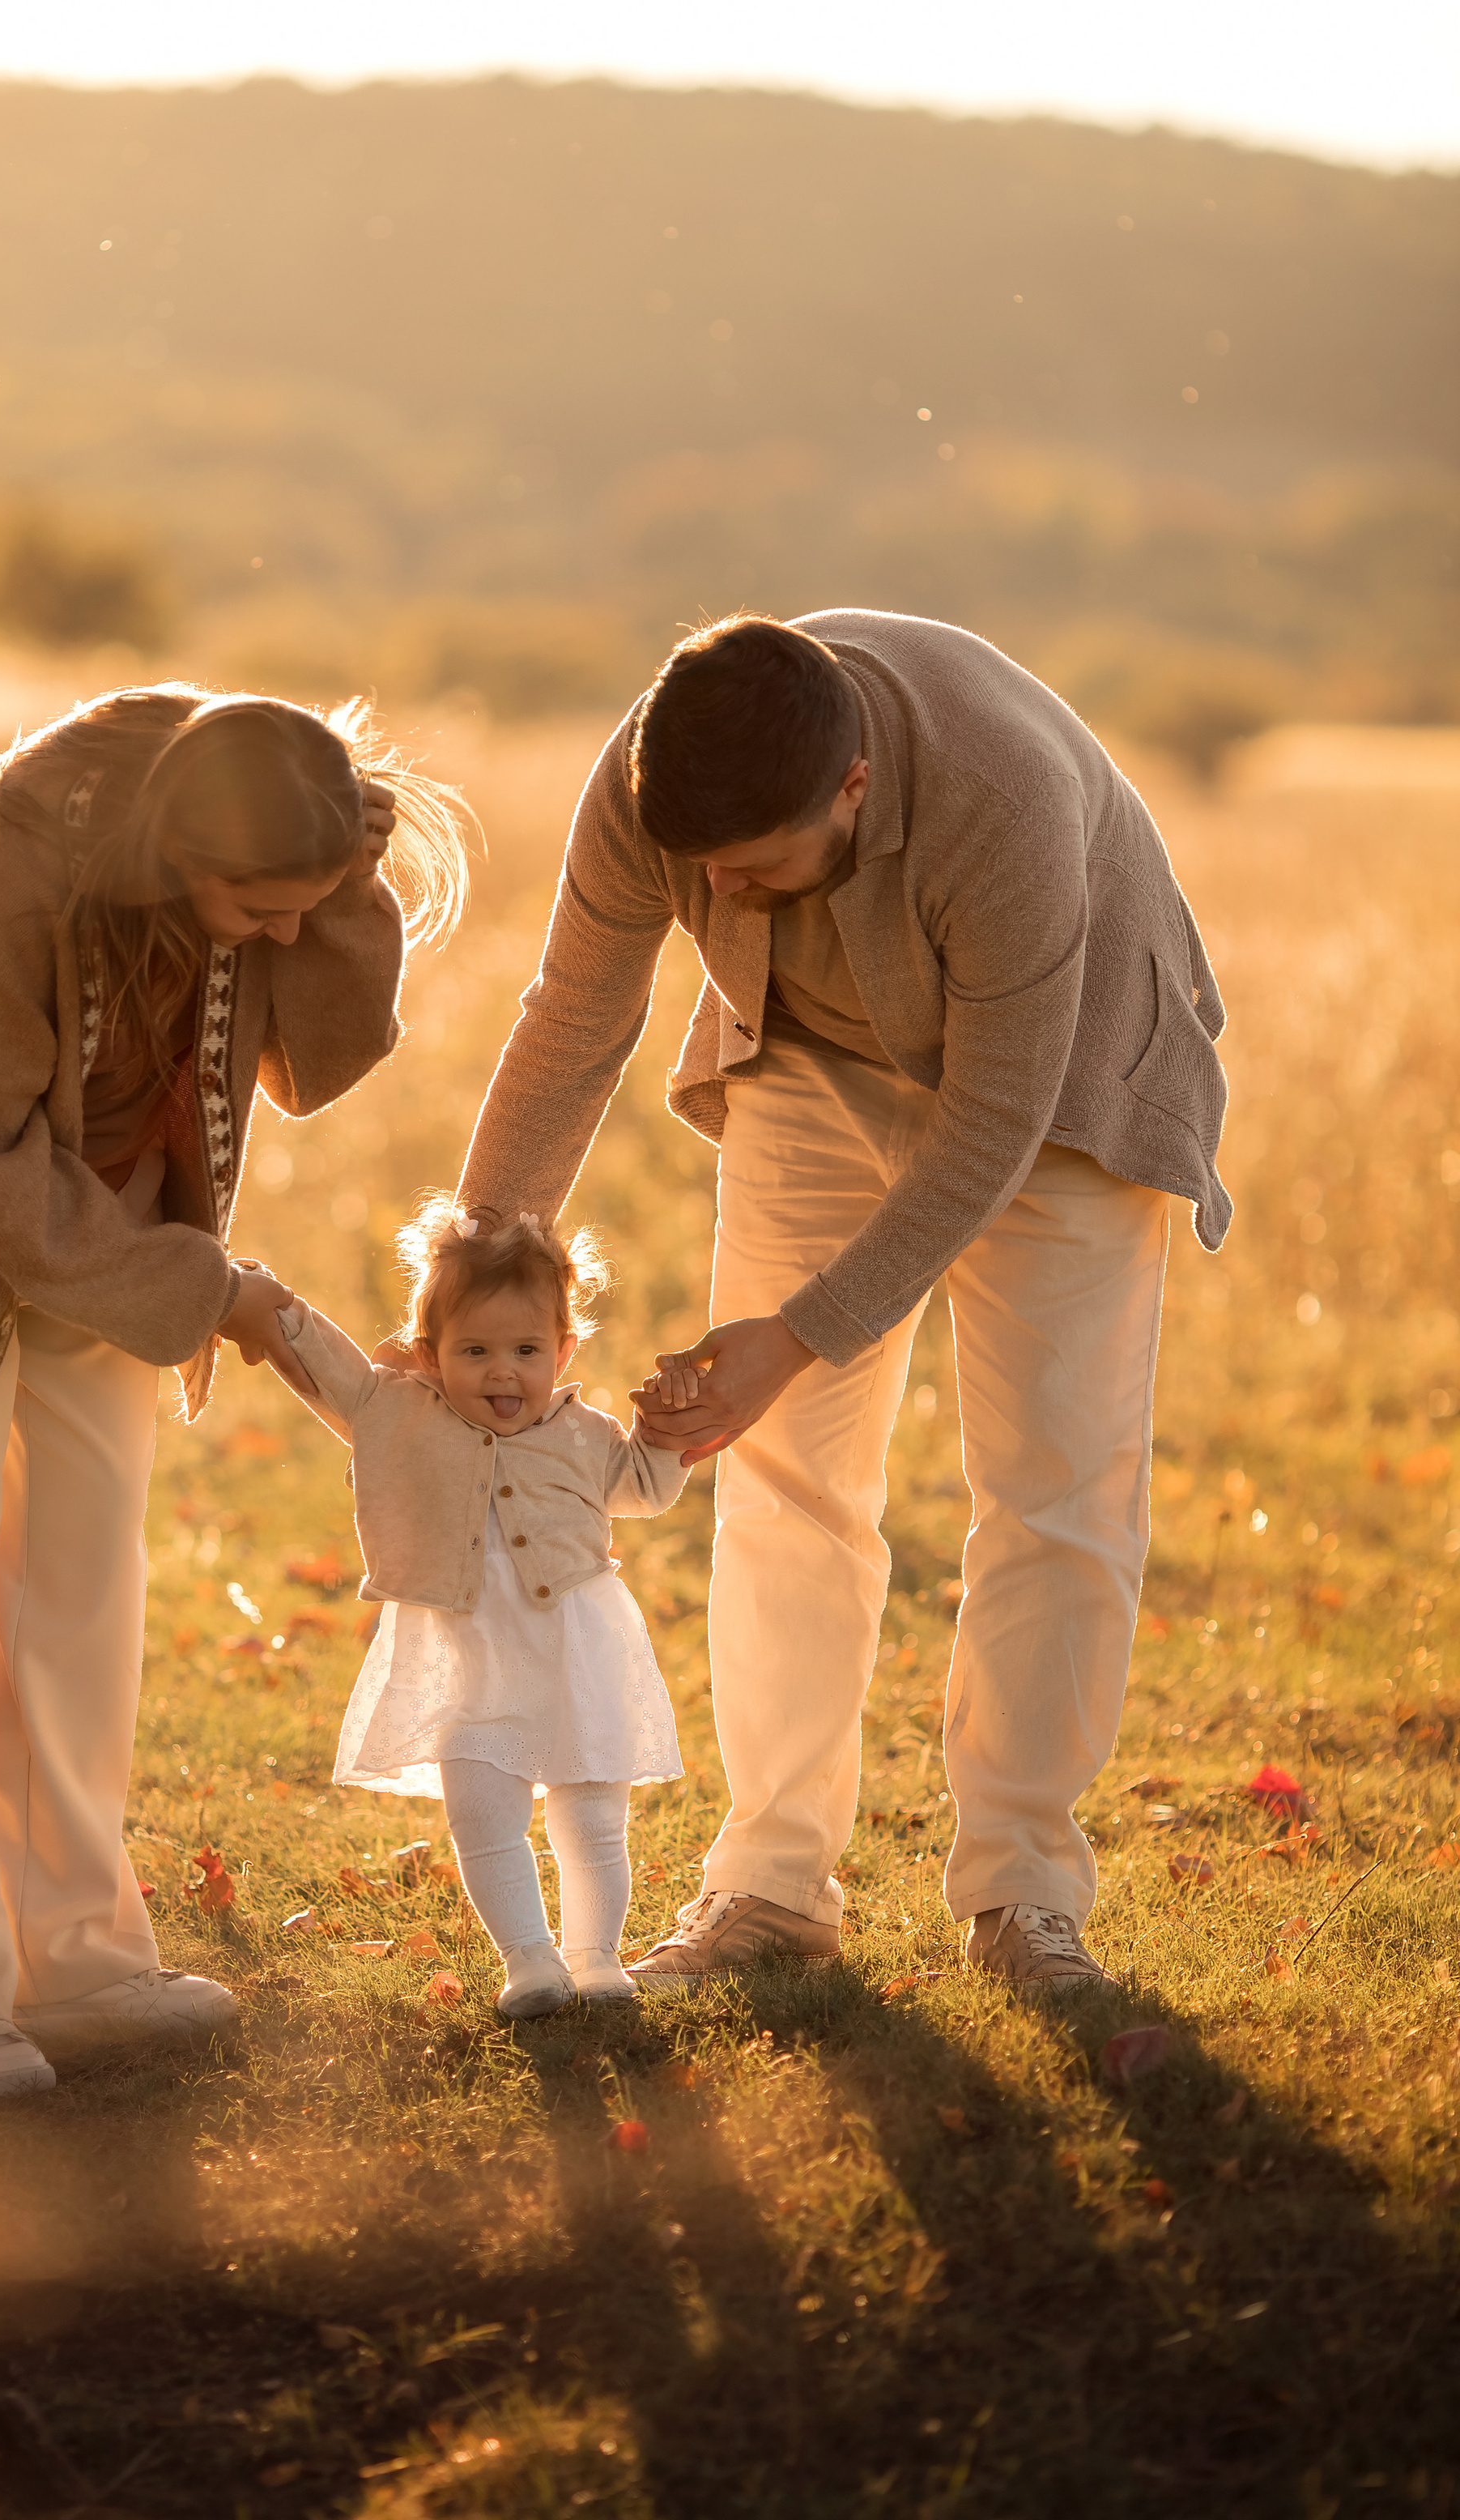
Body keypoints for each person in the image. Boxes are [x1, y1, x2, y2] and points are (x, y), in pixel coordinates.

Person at [458, 611, 1231, 1995]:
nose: (728, 901)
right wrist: (476, 1271)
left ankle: (1024, 1892)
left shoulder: (1003, 805)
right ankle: (770, 1887)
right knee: (780, 1470)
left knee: (1058, 1483)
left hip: (1057, 1088)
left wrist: (799, 1334)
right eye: (708, 877)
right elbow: (576, 1014)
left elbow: (991, 1125)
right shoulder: (654, 779)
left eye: (756, 873)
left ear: (854, 789)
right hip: (811, 1058)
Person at [0, 685, 467, 2098]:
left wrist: (343, 874)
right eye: (258, 907)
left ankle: (69, 1956)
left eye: (300, 908)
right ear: (171, 852)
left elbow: (324, 1052)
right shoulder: (5, 859)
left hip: (110, 1227)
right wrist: (214, 1294)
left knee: (79, 1597)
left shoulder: (246, 839)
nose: (279, 937)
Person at [268, 1198, 691, 2018]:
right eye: (475, 1351)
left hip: (577, 1648)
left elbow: (644, 1488)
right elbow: (334, 1370)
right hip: (467, 1657)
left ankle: (596, 1956)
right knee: (480, 1809)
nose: (503, 1372)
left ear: (564, 1351)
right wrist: (272, 1307)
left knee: (593, 1812)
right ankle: (530, 1960)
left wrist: (667, 1430)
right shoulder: (403, 1418)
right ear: (430, 1357)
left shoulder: (584, 1429)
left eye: (527, 1350)